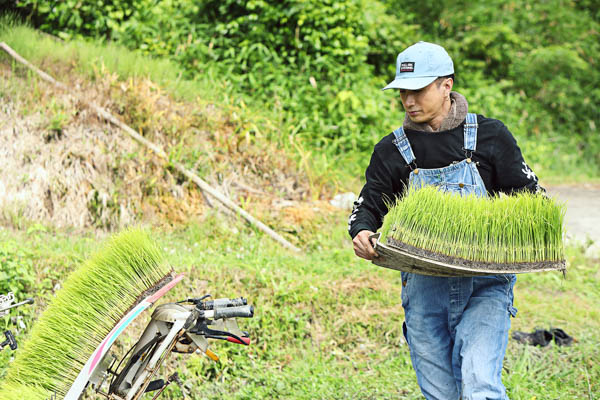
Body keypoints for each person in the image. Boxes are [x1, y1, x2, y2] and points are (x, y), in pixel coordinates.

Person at [348, 41, 541, 400]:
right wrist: (360, 231)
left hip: (484, 285)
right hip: (423, 291)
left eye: (418, 90)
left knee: (480, 384)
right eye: (403, 92)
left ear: (446, 86)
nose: (409, 100)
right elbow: (367, 205)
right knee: (439, 394)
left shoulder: (490, 136)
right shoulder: (391, 150)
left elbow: (531, 198)